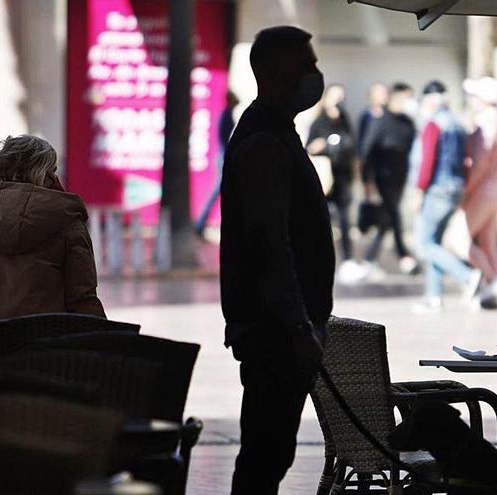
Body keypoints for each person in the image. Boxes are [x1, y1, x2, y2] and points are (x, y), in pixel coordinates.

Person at [219, 26, 334, 494]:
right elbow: (270, 244)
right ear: (277, 71)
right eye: (307, 63)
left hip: (280, 330)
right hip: (275, 334)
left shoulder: (276, 132)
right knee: (266, 455)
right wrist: (298, 326)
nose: (315, 73)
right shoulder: (264, 141)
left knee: (271, 453)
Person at [0, 135, 106, 325]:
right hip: (44, 345)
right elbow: (82, 299)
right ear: (44, 174)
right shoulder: (66, 221)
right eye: (53, 170)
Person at [412, 80, 481, 312]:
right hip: (455, 188)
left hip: (437, 189)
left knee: (425, 244)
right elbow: (467, 159)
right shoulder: (458, 124)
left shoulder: (434, 124)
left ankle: (467, 275)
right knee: (435, 242)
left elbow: (427, 160)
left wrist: (419, 190)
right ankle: (433, 297)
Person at [359, 82, 418, 275]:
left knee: (387, 219)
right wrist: (367, 181)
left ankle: (369, 258)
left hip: (400, 178)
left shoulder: (408, 123)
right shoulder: (381, 121)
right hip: (382, 178)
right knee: (393, 215)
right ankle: (403, 255)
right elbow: (367, 151)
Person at [461, 77, 497, 308]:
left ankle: (491, 279)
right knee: (488, 240)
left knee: (458, 238)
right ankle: (492, 285)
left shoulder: (485, 121)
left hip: (484, 187)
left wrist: (467, 190)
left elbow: (480, 162)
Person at [306, 84, 357, 262]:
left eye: (340, 97)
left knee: (344, 219)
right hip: (325, 178)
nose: (338, 101)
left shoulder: (344, 120)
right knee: (322, 218)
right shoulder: (319, 122)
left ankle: (348, 258)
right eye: (334, 97)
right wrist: (321, 146)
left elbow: (352, 145)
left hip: (342, 176)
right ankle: (318, 255)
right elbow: (308, 148)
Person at [196, 90, 239, 238]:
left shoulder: (227, 115)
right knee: (217, 192)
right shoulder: (226, 115)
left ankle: (201, 224)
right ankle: (200, 224)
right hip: (223, 157)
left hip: (223, 156)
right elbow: (224, 140)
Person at [357, 82, 389, 149]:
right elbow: (361, 139)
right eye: (377, 93)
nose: (381, 96)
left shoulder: (392, 117)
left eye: (383, 93)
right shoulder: (365, 116)